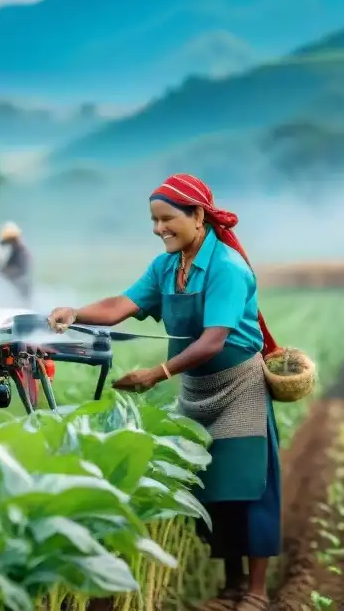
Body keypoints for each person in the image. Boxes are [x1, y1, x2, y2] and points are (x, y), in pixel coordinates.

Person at [47, 174, 282, 611]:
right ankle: (232, 586)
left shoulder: (227, 267)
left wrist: (157, 372)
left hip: (239, 388)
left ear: (197, 216)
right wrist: (74, 311)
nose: (159, 229)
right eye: (154, 221)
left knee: (251, 488)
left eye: (167, 219)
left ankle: (257, 592)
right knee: (213, 488)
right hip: (197, 386)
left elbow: (214, 340)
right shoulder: (166, 267)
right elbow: (121, 306)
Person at [0, 221, 32, 304]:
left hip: (20, 288)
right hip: (18, 287)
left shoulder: (20, 252)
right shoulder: (16, 250)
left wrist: (3, 272)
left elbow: (18, 270)